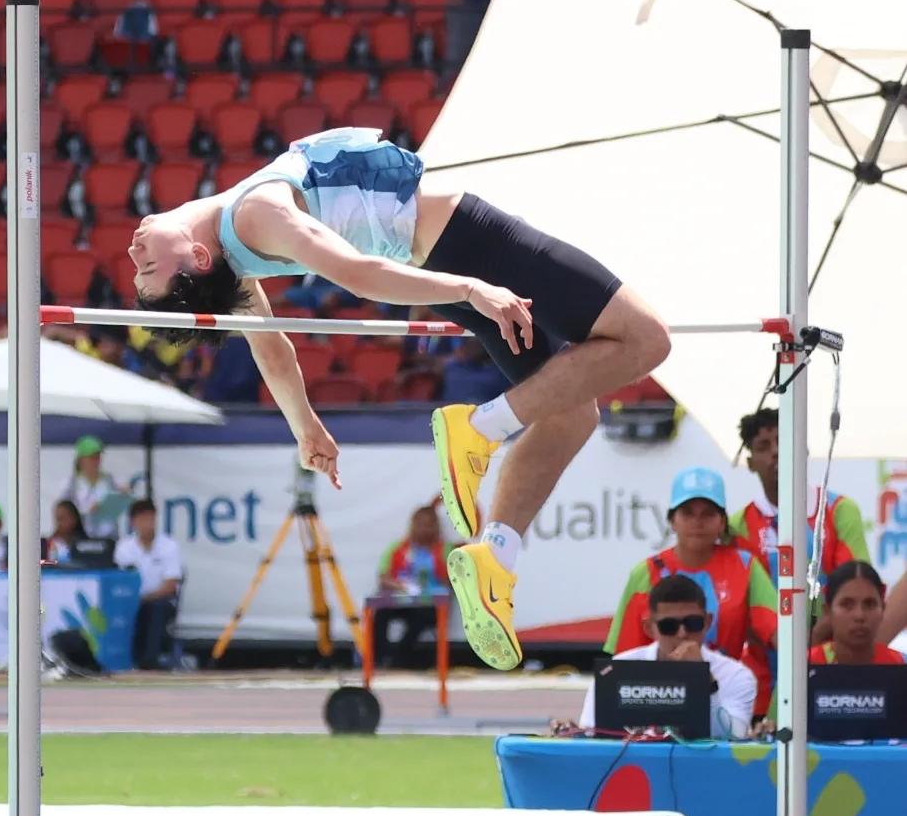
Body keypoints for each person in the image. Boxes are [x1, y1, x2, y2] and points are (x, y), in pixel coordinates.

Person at [130, 127, 670, 673]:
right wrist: (469, 288)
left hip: (437, 255)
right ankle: (480, 429)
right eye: (148, 266)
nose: (133, 250)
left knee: (570, 413)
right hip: (467, 242)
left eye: (140, 266)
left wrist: (306, 429)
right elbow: (355, 274)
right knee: (647, 338)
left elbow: (272, 347)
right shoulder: (255, 215)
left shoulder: (235, 258)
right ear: (197, 257)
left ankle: (494, 557)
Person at [606, 467, 776, 664]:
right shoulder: (644, 572)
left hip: (725, 685)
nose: (697, 522)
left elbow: (778, 631)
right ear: (672, 521)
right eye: (687, 513)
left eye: (708, 514)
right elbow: (625, 656)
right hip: (657, 688)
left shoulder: (745, 566)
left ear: (722, 522)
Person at [572, 574, 757, 739]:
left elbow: (733, 736)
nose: (682, 634)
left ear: (707, 622)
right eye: (669, 626)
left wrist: (702, 680)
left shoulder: (736, 675)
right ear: (649, 628)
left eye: (693, 623)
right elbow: (591, 734)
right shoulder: (615, 670)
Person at [730, 408, 869, 589]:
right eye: (763, 446)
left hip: (830, 617)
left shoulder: (839, 510)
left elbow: (857, 586)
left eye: (783, 441)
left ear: (804, 449)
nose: (776, 451)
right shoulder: (738, 524)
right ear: (750, 464)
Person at [373, 504, 452, 668]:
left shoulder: (444, 550)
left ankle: (400, 657)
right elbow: (383, 578)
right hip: (402, 600)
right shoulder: (397, 549)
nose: (425, 529)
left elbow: (451, 580)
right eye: (420, 524)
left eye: (429, 525)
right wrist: (399, 586)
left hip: (429, 604)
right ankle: (379, 658)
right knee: (380, 614)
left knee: (421, 618)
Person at [114, 497, 183, 670]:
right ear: (133, 522)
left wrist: (145, 598)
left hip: (158, 600)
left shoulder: (169, 546)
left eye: (150, 518)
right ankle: (119, 658)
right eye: (142, 519)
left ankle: (149, 661)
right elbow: (118, 578)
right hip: (130, 600)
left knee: (156, 608)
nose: (147, 523)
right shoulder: (124, 547)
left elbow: (171, 584)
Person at [810, 561, 905, 666]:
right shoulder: (801, 669)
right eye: (847, 605)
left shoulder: (900, 665)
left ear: (883, 609)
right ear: (828, 612)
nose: (859, 615)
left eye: (869, 604)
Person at [61, 435, 126, 538]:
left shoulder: (109, 479)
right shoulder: (72, 483)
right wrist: (86, 511)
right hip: (82, 537)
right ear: (81, 459)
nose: (96, 461)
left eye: (98, 456)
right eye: (92, 457)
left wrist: (124, 494)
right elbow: (64, 512)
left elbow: (121, 502)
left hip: (109, 537)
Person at [45, 499, 86, 564]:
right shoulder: (50, 544)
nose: (59, 523)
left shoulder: (86, 545)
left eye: (62, 518)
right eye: (57, 519)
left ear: (74, 519)